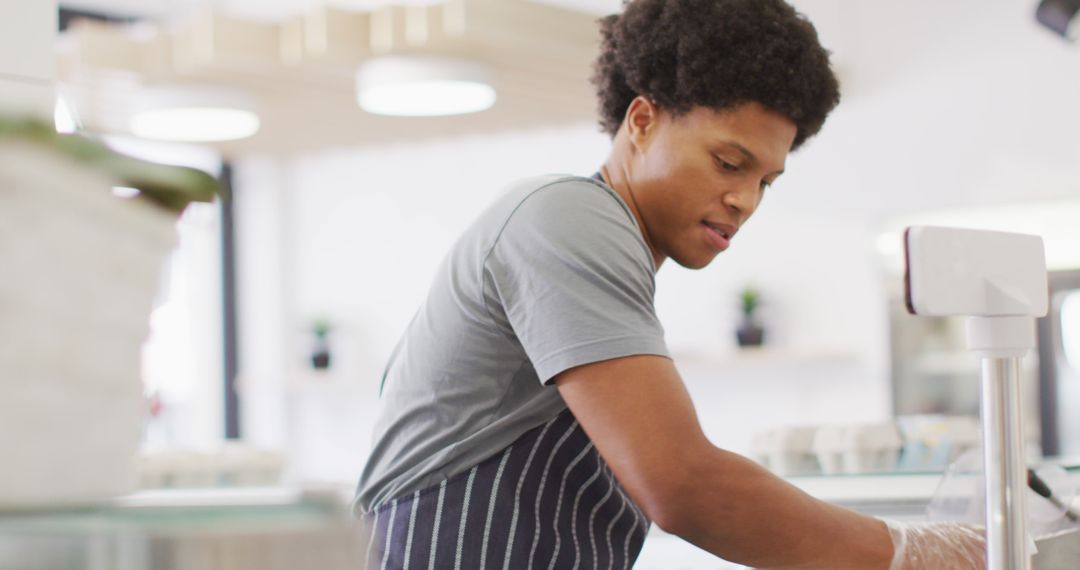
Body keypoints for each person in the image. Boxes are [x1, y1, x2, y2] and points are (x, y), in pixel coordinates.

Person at [354, 0, 986, 568]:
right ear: (643, 120)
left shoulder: (607, 247)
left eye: (765, 181)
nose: (743, 200)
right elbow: (682, 485)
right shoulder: (564, 217)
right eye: (729, 163)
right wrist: (910, 554)